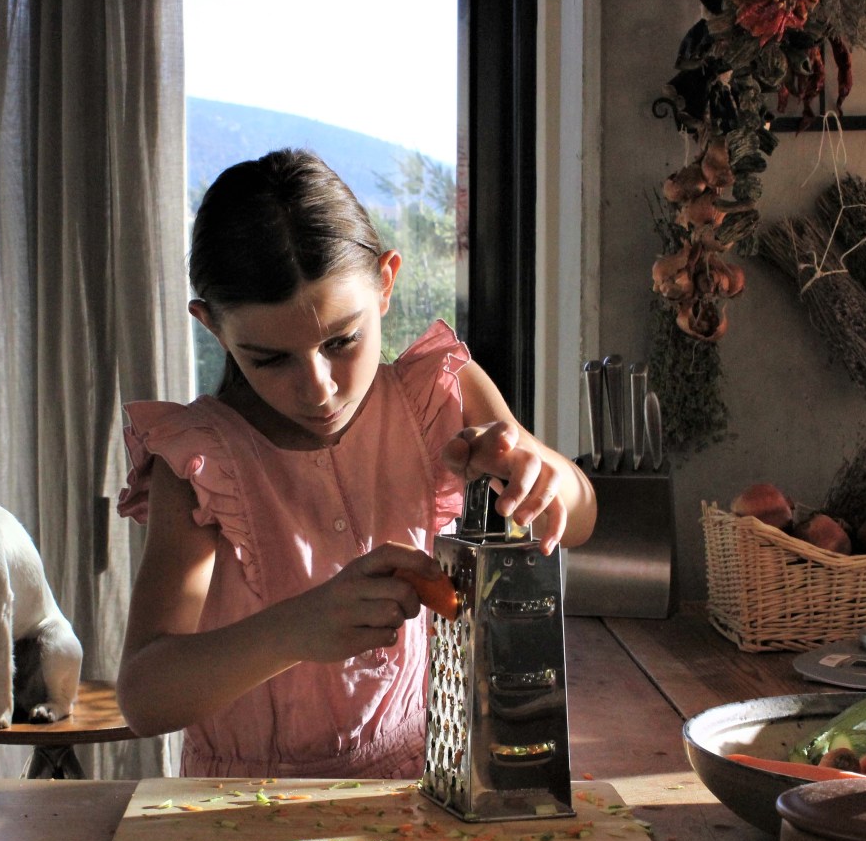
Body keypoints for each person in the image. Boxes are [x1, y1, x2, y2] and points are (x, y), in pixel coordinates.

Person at [115, 148, 596, 778]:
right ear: (212, 328)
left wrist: (540, 472)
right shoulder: (201, 462)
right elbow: (145, 698)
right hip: (243, 809)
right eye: (270, 359)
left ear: (386, 282)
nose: (318, 388)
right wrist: (292, 630)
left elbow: (581, 518)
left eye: (342, 340)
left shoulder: (439, 396)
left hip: (420, 783)